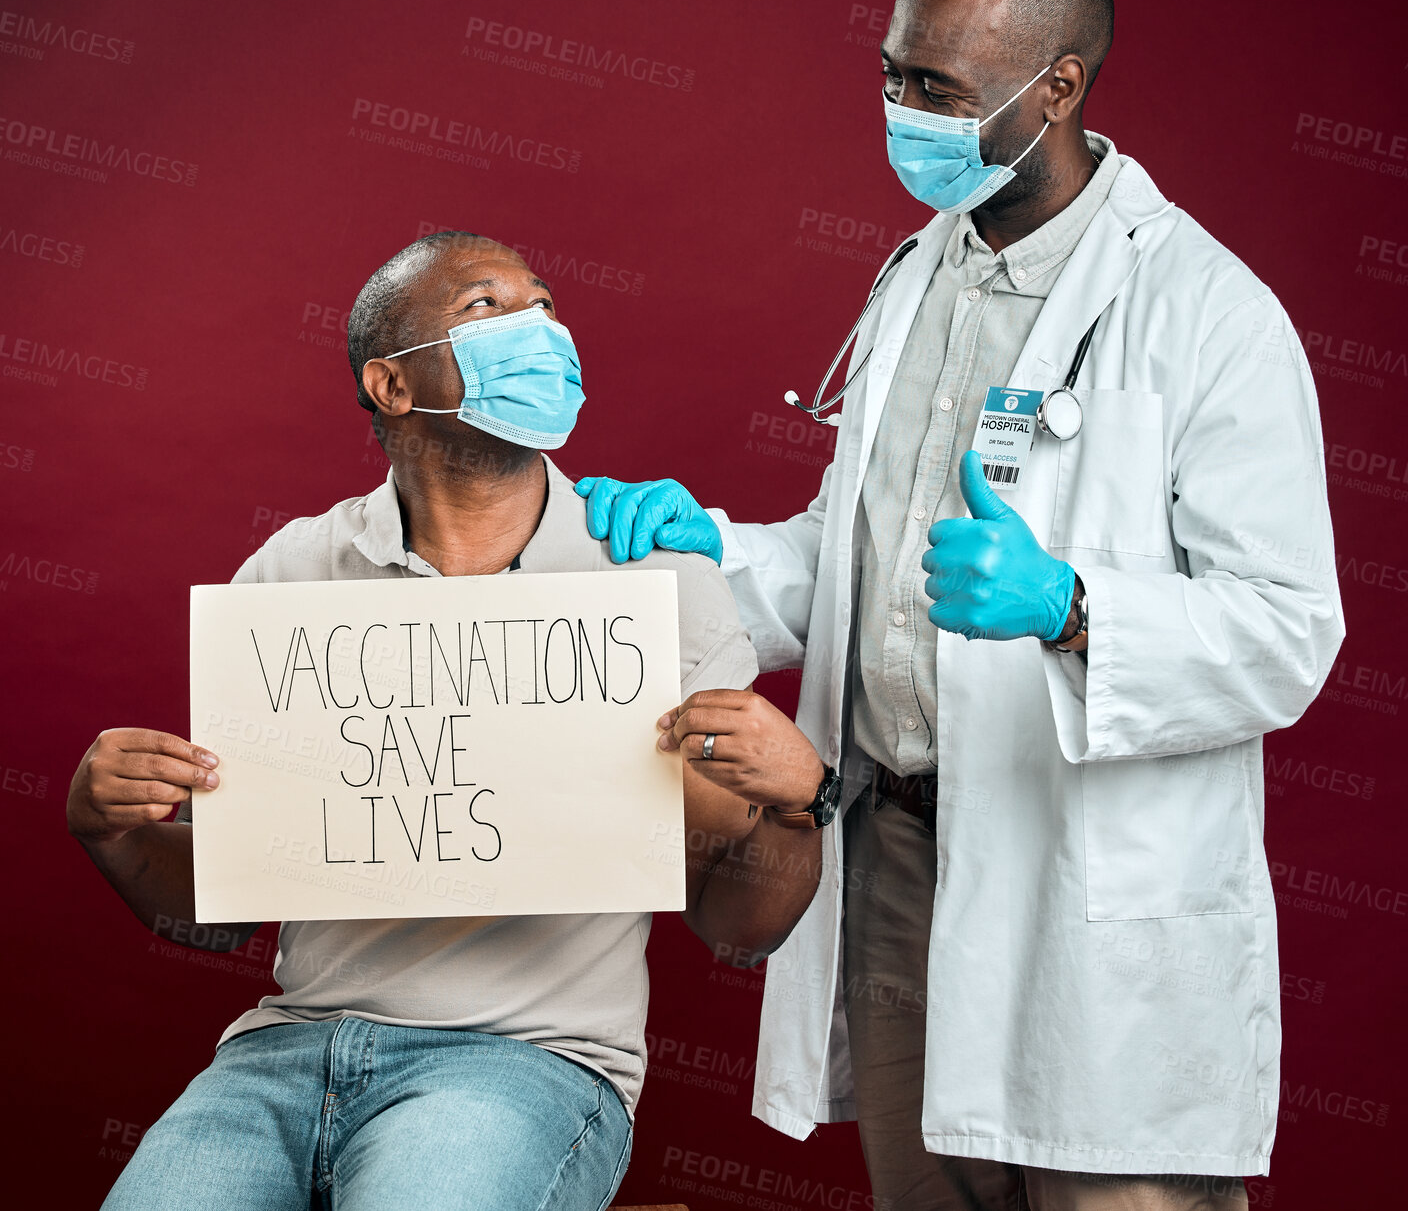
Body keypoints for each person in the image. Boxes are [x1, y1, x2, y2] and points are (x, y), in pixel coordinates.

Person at [573, 0, 1344, 1211]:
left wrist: (1073, 607)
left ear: (1058, 86)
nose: (899, 111)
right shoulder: (917, 276)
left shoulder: (1208, 311)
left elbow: (1285, 630)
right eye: (891, 73)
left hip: (1081, 869)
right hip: (891, 850)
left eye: (937, 89)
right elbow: (856, 569)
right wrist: (718, 550)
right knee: (929, 1191)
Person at [67, 230, 834, 1211]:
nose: (541, 328)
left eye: (546, 304)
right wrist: (112, 828)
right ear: (392, 385)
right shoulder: (293, 572)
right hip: (281, 1052)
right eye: (487, 308)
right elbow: (216, 915)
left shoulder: (652, 577)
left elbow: (735, 927)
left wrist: (795, 808)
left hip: (525, 1063)